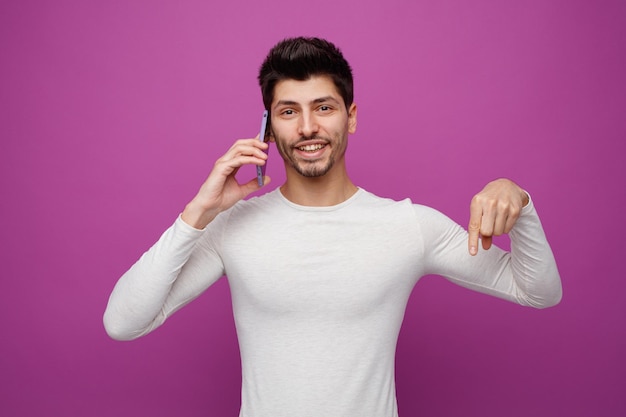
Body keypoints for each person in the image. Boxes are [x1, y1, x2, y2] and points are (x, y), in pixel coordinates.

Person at [103, 37, 562, 417]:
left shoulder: (408, 225)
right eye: (288, 112)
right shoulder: (232, 227)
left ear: (352, 116)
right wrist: (197, 213)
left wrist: (519, 200)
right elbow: (123, 323)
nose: (307, 127)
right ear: (268, 128)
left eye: (323, 107)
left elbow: (538, 291)